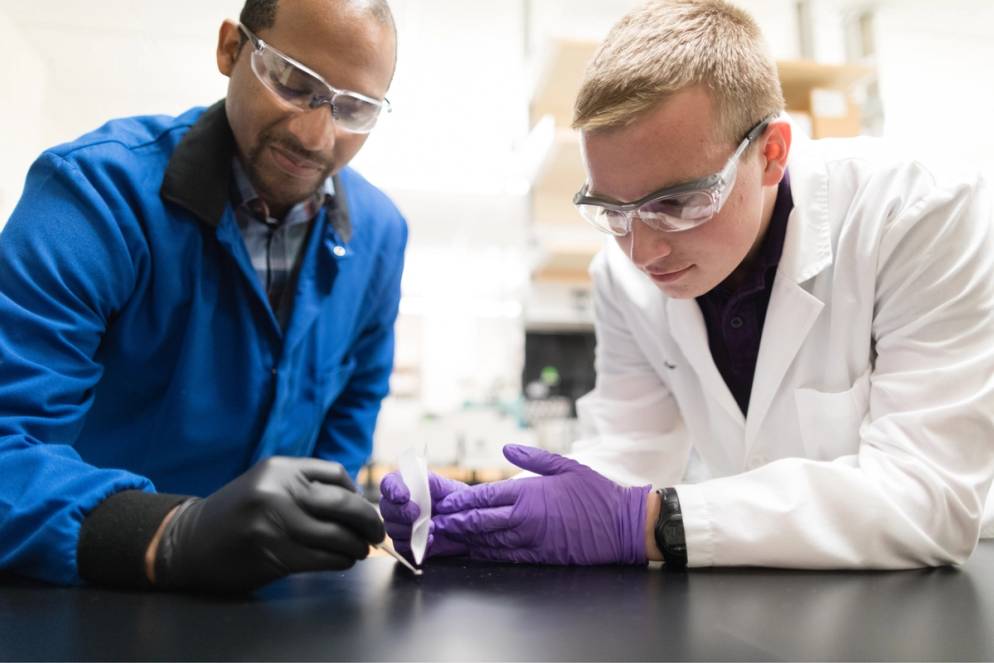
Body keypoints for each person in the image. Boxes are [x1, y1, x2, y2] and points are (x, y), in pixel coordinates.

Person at [381, 0, 994, 570]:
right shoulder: (620, 276)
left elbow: (928, 496)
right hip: (757, 595)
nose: (643, 251)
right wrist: (495, 512)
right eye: (612, 211)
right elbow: (626, 452)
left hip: (932, 588)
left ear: (771, 154)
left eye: (677, 202)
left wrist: (650, 521)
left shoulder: (913, 214)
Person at [0, 0, 405, 592]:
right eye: (293, 83)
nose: (314, 134)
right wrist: (168, 534)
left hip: (267, 608)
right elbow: (9, 447)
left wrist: (313, 522)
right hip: (91, 587)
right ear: (230, 50)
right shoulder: (94, 197)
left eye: (353, 109)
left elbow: (355, 400)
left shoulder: (380, 234)